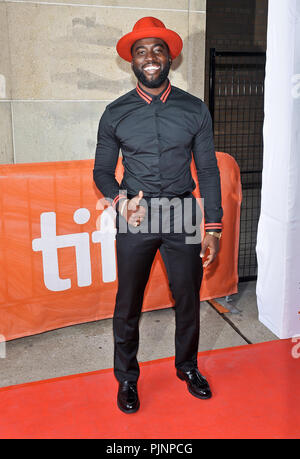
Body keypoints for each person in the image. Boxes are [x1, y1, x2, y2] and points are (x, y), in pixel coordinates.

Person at [93, 17, 223, 414]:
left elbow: (208, 170)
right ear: (132, 61)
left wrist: (213, 226)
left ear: (169, 57)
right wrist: (119, 200)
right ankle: (127, 379)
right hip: (136, 214)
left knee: (187, 300)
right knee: (127, 302)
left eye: (157, 50)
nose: (150, 58)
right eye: (141, 52)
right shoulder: (115, 113)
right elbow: (101, 170)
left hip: (183, 212)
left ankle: (187, 368)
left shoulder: (194, 109)